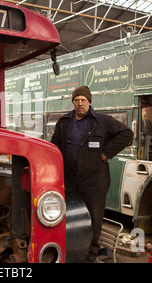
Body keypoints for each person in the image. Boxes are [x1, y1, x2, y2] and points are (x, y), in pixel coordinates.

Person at [51, 85, 133, 262]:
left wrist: (106, 153)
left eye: (83, 100)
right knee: (69, 216)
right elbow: (55, 144)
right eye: (77, 100)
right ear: (72, 102)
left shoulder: (102, 121)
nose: (80, 103)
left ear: (89, 102)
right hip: (69, 180)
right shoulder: (64, 122)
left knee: (94, 219)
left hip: (94, 182)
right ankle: (70, 251)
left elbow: (126, 133)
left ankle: (90, 255)